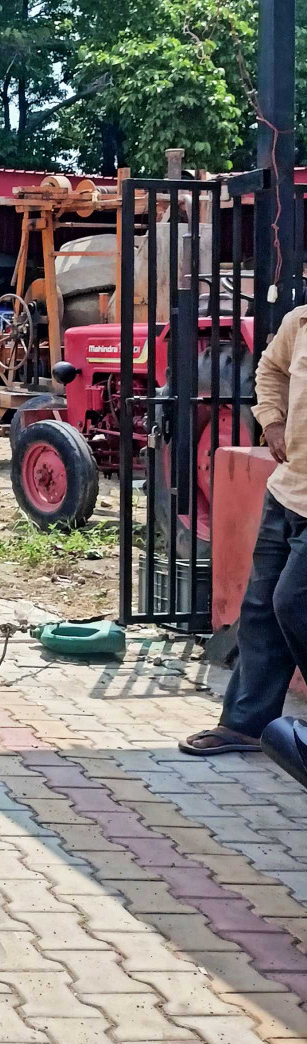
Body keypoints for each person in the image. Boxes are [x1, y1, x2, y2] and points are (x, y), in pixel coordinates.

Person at [181, 303, 307, 757]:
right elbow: (270, 368)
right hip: (289, 488)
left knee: (293, 602)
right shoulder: (300, 322)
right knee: (259, 609)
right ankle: (247, 725)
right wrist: (271, 421)